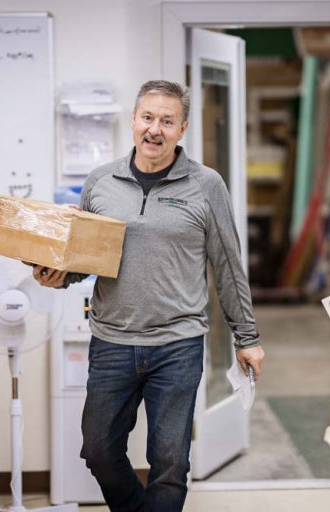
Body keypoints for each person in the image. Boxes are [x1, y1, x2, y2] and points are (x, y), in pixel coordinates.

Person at [33, 79, 265, 512]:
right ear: (134, 121)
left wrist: (246, 336)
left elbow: (228, 264)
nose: (154, 129)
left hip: (177, 343)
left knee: (170, 462)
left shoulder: (206, 185)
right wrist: (57, 278)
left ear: (182, 128)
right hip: (112, 341)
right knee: (98, 449)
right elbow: (85, 258)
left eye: (167, 121)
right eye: (147, 118)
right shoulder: (101, 182)